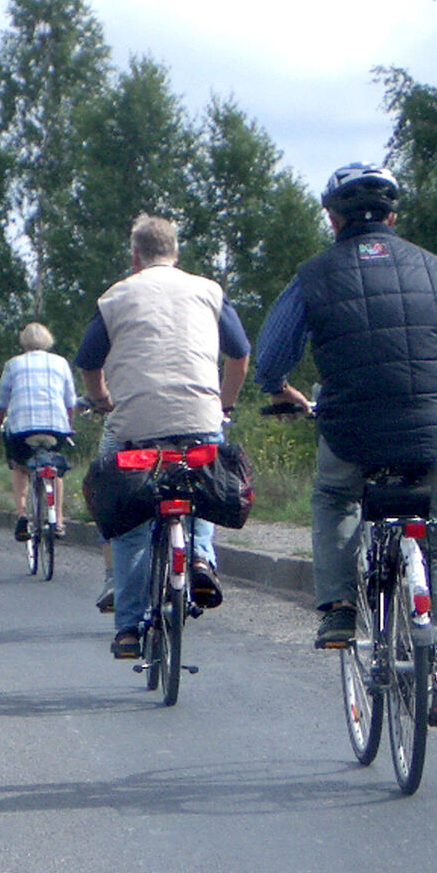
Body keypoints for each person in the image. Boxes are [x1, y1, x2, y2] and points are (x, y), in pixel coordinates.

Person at [254, 162, 437, 724]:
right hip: (428, 431)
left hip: (350, 429)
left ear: (333, 218)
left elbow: (273, 355)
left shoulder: (313, 275)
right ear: (393, 216)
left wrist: (279, 390)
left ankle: (337, 609)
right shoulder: (434, 269)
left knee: (335, 498)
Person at [76, 214, 251, 659]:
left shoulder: (115, 297)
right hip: (200, 417)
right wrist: (223, 406)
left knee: (130, 522)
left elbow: (89, 362)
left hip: (135, 426)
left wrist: (101, 400)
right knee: (205, 474)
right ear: (176, 252)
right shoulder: (209, 291)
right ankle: (200, 557)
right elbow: (240, 355)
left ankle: (129, 628)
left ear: (134, 255)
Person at [0, 322, 77, 541]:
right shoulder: (61, 362)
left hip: (22, 429)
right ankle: (58, 520)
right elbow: (70, 401)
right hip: (56, 427)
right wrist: (69, 426)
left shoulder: (13, 364)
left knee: (19, 466)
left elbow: (2, 402)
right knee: (55, 468)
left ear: (23, 341)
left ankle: (22, 513)